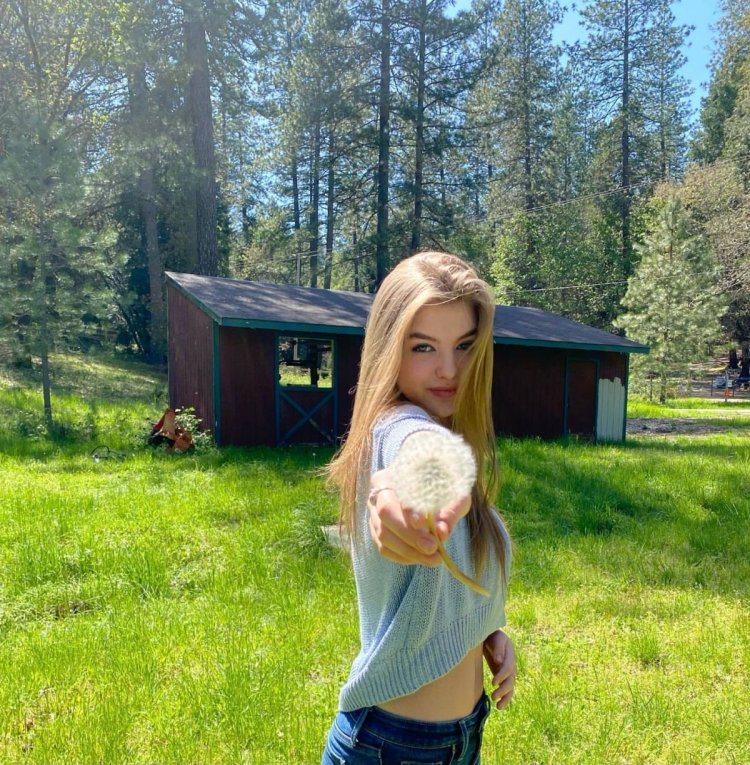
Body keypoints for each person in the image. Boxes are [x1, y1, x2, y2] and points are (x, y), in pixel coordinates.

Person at [322, 251, 516, 765]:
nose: (449, 369)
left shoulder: (454, 429)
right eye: (423, 346)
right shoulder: (396, 425)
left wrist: (485, 631)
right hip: (390, 746)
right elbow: (416, 448)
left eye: (465, 346)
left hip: (460, 736)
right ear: (389, 348)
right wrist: (402, 489)